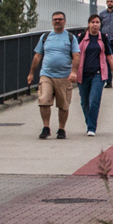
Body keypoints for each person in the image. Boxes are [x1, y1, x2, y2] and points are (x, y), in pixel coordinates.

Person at [26, 11, 80, 139]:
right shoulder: (45, 37)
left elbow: (76, 56)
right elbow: (38, 55)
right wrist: (31, 73)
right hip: (47, 74)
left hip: (64, 76)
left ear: (64, 21)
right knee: (43, 100)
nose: (57, 21)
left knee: (63, 104)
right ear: (52, 21)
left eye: (60, 19)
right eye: (55, 19)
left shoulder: (70, 37)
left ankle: (61, 129)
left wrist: (73, 72)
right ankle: (46, 127)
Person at [75, 14, 113, 136]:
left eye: (97, 22)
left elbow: (110, 57)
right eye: (93, 22)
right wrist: (71, 72)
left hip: (98, 74)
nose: (95, 24)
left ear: (100, 25)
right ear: (88, 24)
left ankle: (91, 128)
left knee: (94, 100)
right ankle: (89, 122)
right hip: (83, 74)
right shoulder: (81, 37)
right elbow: (74, 56)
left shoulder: (103, 38)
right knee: (84, 102)